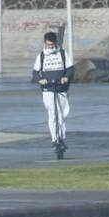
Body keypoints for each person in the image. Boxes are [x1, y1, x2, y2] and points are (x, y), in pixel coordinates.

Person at [31, 31, 74, 159]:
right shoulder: (41, 56)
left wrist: (66, 77)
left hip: (61, 88)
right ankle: (55, 139)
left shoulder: (63, 54)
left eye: (52, 45)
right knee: (53, 114)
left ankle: (62, 138)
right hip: (48, 89)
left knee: (62, 114)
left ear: (56, 43)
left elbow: (71, 69)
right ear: (45, 43)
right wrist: (40, 80)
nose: (50, 47)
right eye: (48, 45)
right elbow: (35, 73)